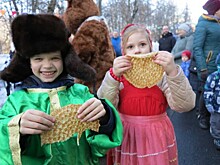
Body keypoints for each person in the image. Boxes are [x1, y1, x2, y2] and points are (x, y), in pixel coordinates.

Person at [0, 14, 123, 165]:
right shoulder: (17, 101)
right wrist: (15, 126)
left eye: (54, 58)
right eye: (38, 59)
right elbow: (3, 138)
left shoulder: (81, 93)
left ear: (65, 60)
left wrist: (105, 117)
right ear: (28, 62)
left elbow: (100, 146)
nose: (47, 66)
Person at [97, 23, 195, 165]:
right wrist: (112, 77)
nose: (137, 51)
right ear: (124, 51)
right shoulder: (118, 76)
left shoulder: (161, 74)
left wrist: (173, 72)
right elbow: (105, 107)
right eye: (130, 47)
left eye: (142, 44)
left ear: (150, 46)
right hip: (127, 136)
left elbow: (186, 105)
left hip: (156, 136)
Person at [193, 0, 220, 130]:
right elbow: (197, 47)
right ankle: (202, 116)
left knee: (216, 91)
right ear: (215, 10)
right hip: (208, 65)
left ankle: (213, 115)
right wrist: (202, 67)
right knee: (206, 91)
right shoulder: (203, 24)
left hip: (218, 64)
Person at [204, 53, 220, 151]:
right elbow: (208, 90)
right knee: (216, 123)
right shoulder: (214, 77)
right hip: (216, 107)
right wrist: (209, 103)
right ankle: (217, 138)